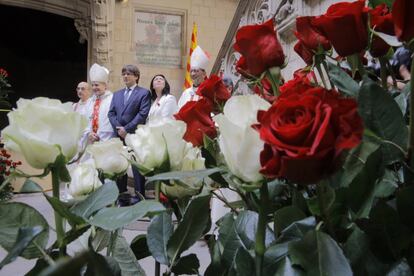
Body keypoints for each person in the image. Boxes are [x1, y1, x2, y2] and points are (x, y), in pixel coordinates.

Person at [108, 64, 151, 205]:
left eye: (129, 74)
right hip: (118, 135)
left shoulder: (144, 93)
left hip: (134, 135)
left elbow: (142, 114)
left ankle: (139, 195)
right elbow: (111, 113)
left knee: (136, 166)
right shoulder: (117, 94)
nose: (125, 76)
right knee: (120, 165)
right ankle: (121, 193)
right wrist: (118, 127)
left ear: (136, 76)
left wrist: (127, 128)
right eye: (124, 74)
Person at [84, 64, 113, 144]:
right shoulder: (89, 101)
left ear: (105, 85)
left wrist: (100, 135)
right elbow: (84, 120)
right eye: (92, 85)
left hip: (106, 140)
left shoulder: (112, 99)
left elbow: (111, 122)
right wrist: (89, 133)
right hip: (90, 140)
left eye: (96, 85)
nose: (94, 88)